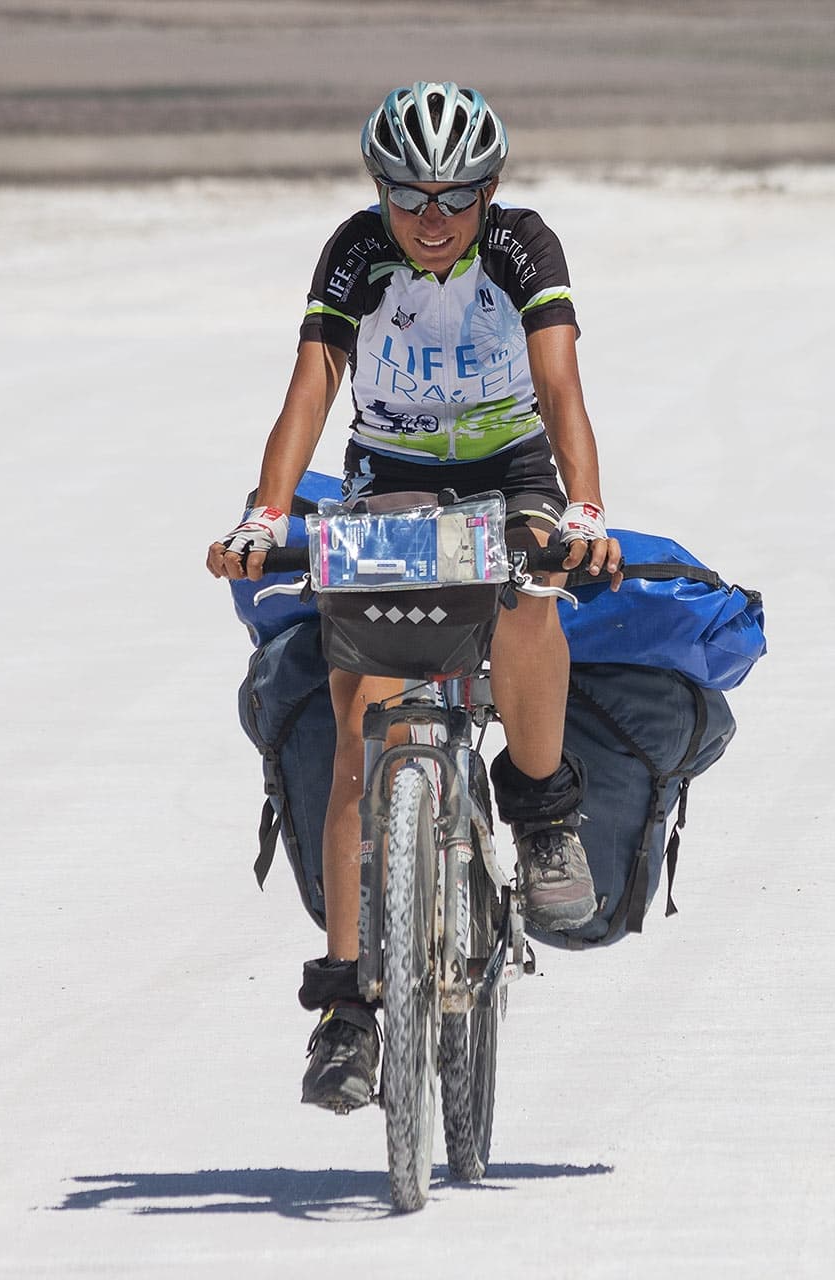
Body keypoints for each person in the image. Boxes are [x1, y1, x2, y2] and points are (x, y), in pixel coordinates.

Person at [206, 82, 621, 1113]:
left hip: (511, 465)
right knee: (362, 718)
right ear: (379, 192)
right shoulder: (356, 253)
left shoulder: (524, 248)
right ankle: (346, 1008)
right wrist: (265, 512)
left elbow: (561, 386)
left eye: (454, 196)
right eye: (409, 195)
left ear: (490, 192)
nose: (432, 218)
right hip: (389, 469)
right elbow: (311, 384)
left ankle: (543, 810)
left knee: (528, 594)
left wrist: (586, 511)